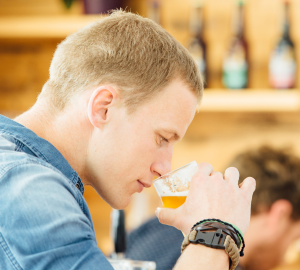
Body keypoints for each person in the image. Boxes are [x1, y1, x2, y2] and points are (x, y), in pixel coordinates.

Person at [0, 10, 255, 270]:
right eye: (162, 138)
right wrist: (214, 234)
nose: (164, 169)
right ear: (104, 108)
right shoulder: (29, 189)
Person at [126, 146, 300, 270]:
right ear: (281, 214)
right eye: (294, 238)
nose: (285, 257)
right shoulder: (220, 259)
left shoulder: (151, 227)